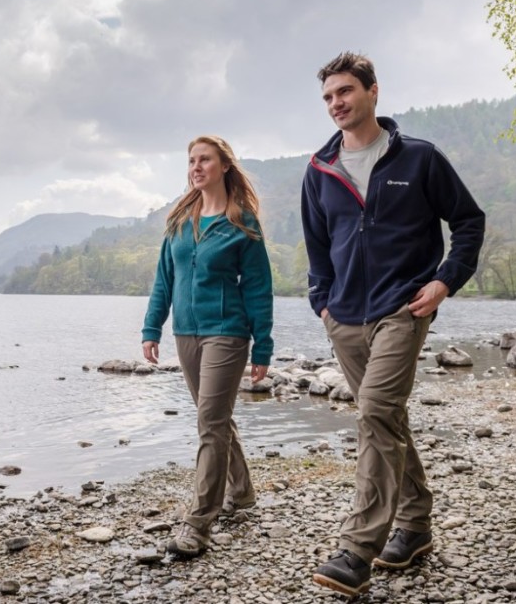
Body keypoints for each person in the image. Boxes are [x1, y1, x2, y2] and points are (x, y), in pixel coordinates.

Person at [301, 52, 485, 596]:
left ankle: (358, 549)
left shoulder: (419, 159)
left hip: (402, 310)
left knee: (376, 412)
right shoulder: (319, 169)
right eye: (329, 96)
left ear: (373, 92)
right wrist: (322, 302)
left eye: (345, 92)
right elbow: (317, 245)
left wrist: (446, 279)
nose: (337, 103)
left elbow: (469, 220)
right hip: (345, 317)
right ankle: (415, 522)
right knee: (388, 421)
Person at [142, 134, 274, 558]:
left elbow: (258, 289)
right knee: (213, 419)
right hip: (186, 333)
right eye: (191, 160)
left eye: (204, 160)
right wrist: (151, 329)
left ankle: (198, 524)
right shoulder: (180, 222)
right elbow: (165, 279)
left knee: (210, 425)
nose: (196, 167)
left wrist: (263, 348)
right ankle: (244, 492)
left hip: (228, 333)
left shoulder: (242, 224)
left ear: (224, 167)